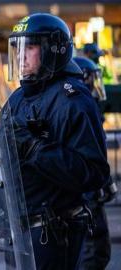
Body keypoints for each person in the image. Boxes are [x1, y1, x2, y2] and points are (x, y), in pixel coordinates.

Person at [6, 13, 110, 269]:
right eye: (17, 48)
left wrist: (35, 149)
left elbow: (94, 173)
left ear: (53, 50)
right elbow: (7, 154)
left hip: (55, 231)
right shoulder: (17, 98)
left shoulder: (73, 101)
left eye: (29, 47)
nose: (21, 56)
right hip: (18, 227)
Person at [73, 56, 117, 270]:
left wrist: (106, 182)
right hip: (86, 201)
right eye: (92, 79)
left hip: (92, 198)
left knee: (99, 253)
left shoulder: (87, 109)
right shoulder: (80, 110)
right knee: (91, 256)